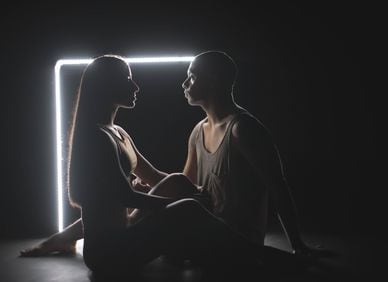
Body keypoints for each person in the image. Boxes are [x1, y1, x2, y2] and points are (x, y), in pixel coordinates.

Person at [20, 51, 319, 258]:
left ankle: (68, 239)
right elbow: (180, 186)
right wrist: (139, 191)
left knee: (169, 201)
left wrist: (298, 244)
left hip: (234, 236)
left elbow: (277, 185)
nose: (184, 84)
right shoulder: (198, 131)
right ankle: (65, 238)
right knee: (173, 185)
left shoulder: (243, 129)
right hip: (202, 224)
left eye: (191, 77)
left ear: (213, 80)